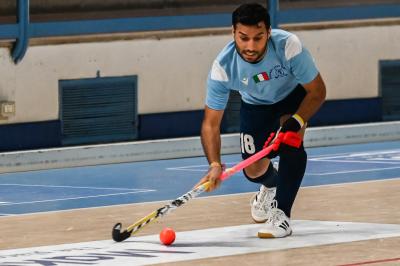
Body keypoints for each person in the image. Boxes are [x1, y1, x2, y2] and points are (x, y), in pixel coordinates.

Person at [195, 3, 326, 238]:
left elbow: (317, 91)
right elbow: (210, 123)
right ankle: (272, 184)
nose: (251, 46)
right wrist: (214, 164)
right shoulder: (223, 67)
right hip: (256, 105)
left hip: (292, 97)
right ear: (233, 32)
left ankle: (281, 214)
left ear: (268, 32)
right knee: (253, 170)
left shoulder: (288, 46)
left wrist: (296, 121)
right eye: (243, 38)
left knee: (291, 142)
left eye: (258, 38)